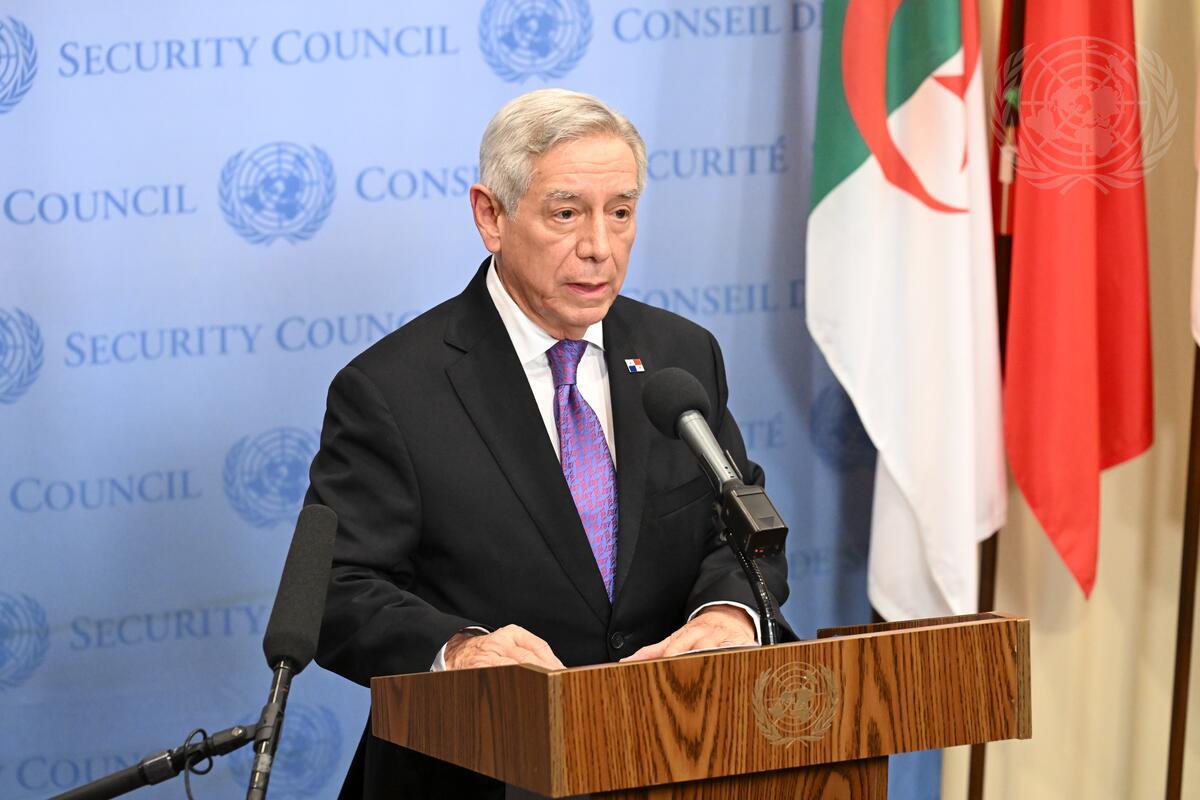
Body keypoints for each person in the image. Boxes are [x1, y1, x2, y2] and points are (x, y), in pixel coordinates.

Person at [307, 88, 791, 799]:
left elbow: (742, 530)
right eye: (566, 213)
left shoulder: (680, 355)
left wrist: (728, 613)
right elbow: (335, 590)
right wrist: (458, 649)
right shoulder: (391, 389)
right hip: (480, 766)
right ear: (490, 216)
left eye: (620, 212)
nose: (600, 247)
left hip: (675, 752)